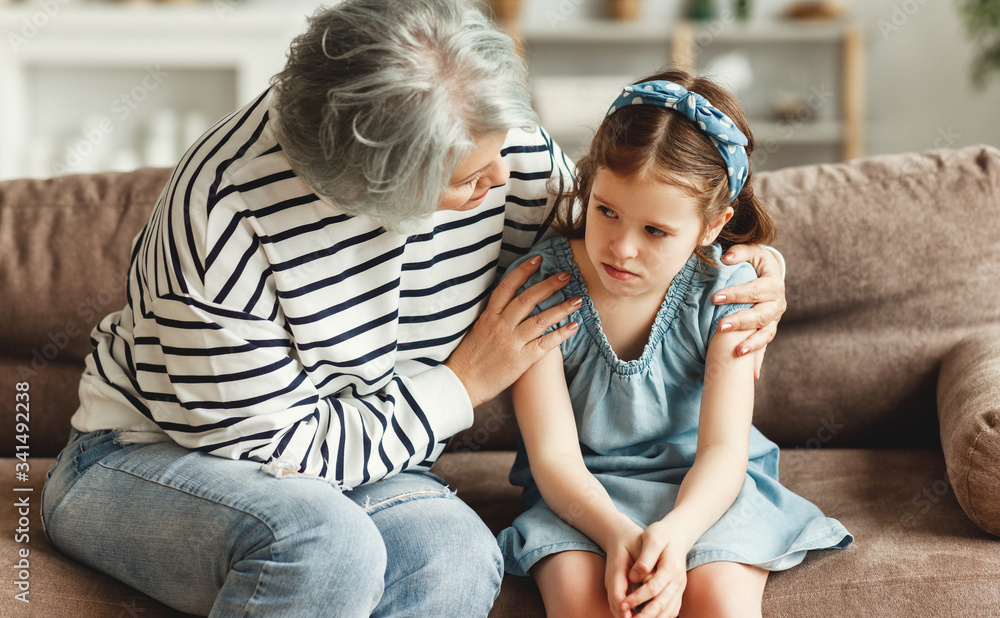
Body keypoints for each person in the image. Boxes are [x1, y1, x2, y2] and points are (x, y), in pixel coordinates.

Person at [41, 2, 788, 616]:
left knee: (456, 556)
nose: (506, 181)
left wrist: (758, 267)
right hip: (165, 455)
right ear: (376, 195)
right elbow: (280, 456)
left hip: (374, 462)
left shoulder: (497, 149)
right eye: (470, 181)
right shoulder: (221, 224)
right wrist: (461, 384)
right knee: (325, 545)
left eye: (508, 152)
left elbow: (630, 238)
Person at [497, 70, 852, 618]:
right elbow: (554, 456)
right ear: (589, 187)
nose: (621, 248)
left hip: (708, 489)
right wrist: (617, 535)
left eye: (656, 231)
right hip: (580, 494)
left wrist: (677, 535)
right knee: (581, 602)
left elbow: (722, 451)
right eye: (606, 211)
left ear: (712, 227)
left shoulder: (729, 295)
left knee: (719, 602)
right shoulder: (540, 288)